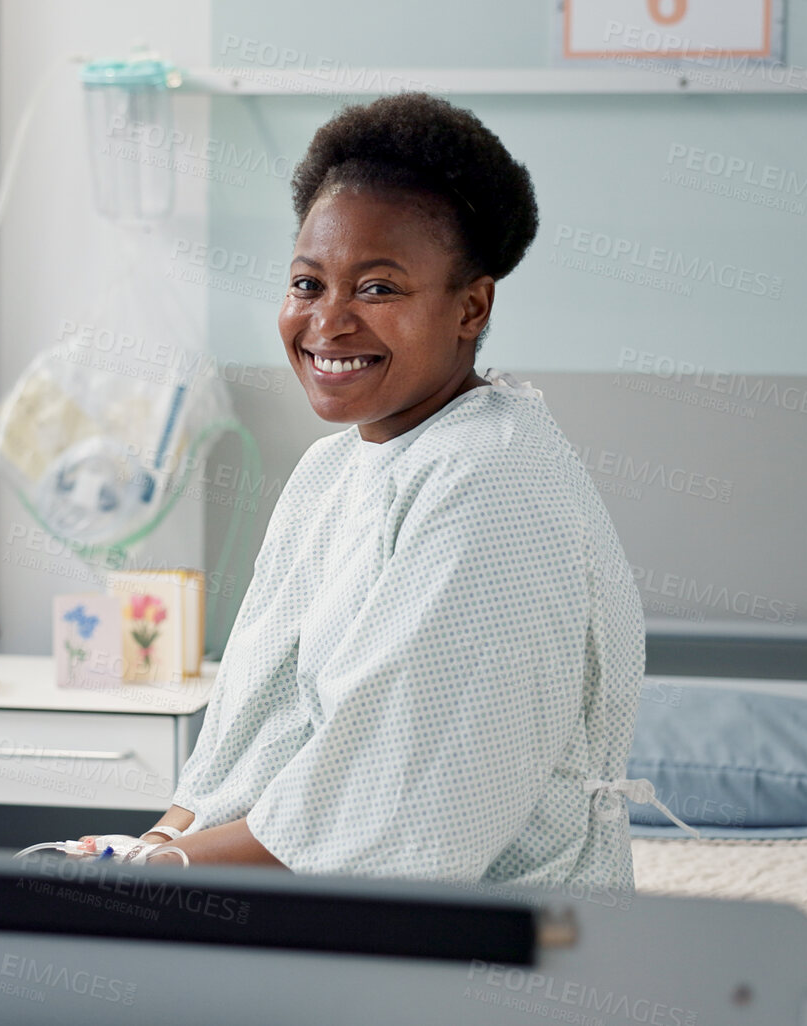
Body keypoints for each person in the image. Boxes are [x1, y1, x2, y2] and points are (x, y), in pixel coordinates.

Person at [104, 93, 645, 888]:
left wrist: (151, 874)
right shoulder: (332, 472)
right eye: (306, 283)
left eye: (378, 289)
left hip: (496, 949)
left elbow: (390, 810)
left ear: (471, 306)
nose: (327, 322)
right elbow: (255, 726)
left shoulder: (490, 487)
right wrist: (144, 848)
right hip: (315, 901)